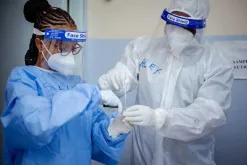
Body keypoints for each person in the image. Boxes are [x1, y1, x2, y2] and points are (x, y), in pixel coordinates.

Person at [99, 0, 234, 164]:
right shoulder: (143, 48)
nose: (175, 31)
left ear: (198, 27)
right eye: (172, 22)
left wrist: (159, 118)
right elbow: (122, 82)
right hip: (144, 154)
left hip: (188, 158)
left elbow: (209, 114)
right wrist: (115, 77)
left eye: (184, 26)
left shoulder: (215, 62)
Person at [1, 0, 132, 165]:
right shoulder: (22, 79)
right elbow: (31, 125)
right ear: (40, 43)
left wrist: (114, 128)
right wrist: (91, 95)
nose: (68, 54)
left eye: (72, 48)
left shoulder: (78, 84)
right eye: (61, 47)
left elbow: (92, 139)